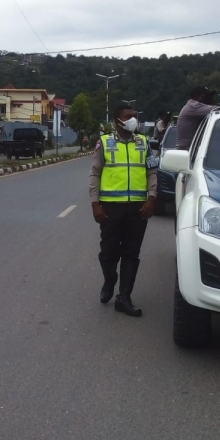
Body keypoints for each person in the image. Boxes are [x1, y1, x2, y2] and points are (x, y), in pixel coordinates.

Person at [89, 103, 157, 317]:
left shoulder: (144, 143)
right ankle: (110, 279)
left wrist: (152, 198)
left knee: (131, 253)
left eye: (134, 116)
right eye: (129, 116)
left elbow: (152, 172)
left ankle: (124, 297)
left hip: (138, 209)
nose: (133, 119)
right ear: (117, 121)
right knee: (108, 252)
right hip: (110, 208)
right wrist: (95, 204)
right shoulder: (104, 142)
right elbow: (95, 174)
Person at [175, 86, 217, 150]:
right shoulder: (194, 107)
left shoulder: (192, 106)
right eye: (205, 96)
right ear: (198, 96)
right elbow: (217, 110)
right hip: (187, 150)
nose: (209, 98)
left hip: (191, 148)